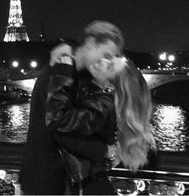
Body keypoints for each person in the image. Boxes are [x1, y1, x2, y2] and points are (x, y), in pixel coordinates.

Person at [19, 20, 124, 195]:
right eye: (105, 54)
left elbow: (81, 123)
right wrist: (105, 151)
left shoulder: (75, 73)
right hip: (51, 180)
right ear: (90, 44)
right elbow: (59, 127)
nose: (106, 62)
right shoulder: (61, 71)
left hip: (53, 177)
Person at [46, 55, 156, 195]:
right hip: (94, 184)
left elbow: (56, 120)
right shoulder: (105, 101)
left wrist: (63, 74)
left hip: (83, 187)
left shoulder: (103, 105)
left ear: (111, 84)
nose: (102, 60)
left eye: (109, 65)